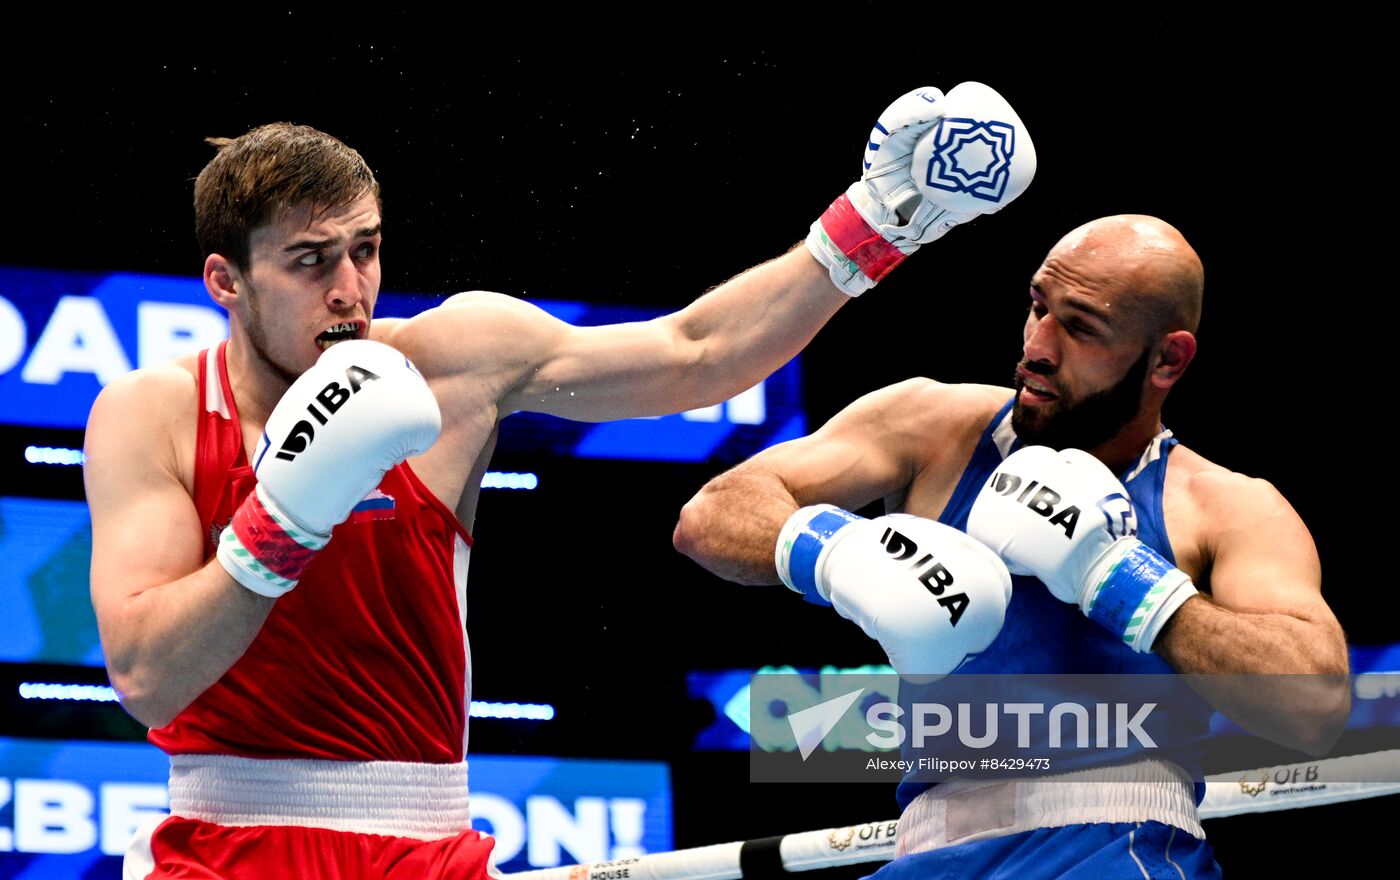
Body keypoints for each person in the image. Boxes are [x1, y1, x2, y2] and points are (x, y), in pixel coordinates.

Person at [83, 84, 1034, 878]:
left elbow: (694, 352)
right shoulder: (151, 415)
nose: (349, 290)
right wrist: (283, 518)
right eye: (309, 261)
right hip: (221, 847)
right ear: (226, 279)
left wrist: (874, 223)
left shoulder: (454, 363)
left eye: (364, 250)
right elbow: (146, 678)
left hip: (427, 843)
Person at [674, 214, 1351, 877]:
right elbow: (714, 514)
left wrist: (1124, 582)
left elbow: (1316, 705)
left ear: (1167, 359)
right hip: (926, 851)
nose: (1038, 346)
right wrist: (837, 551)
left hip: (1119, 847)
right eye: (1037, 307)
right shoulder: (934, 426)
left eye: (1081, 327)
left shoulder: (1224, 505)